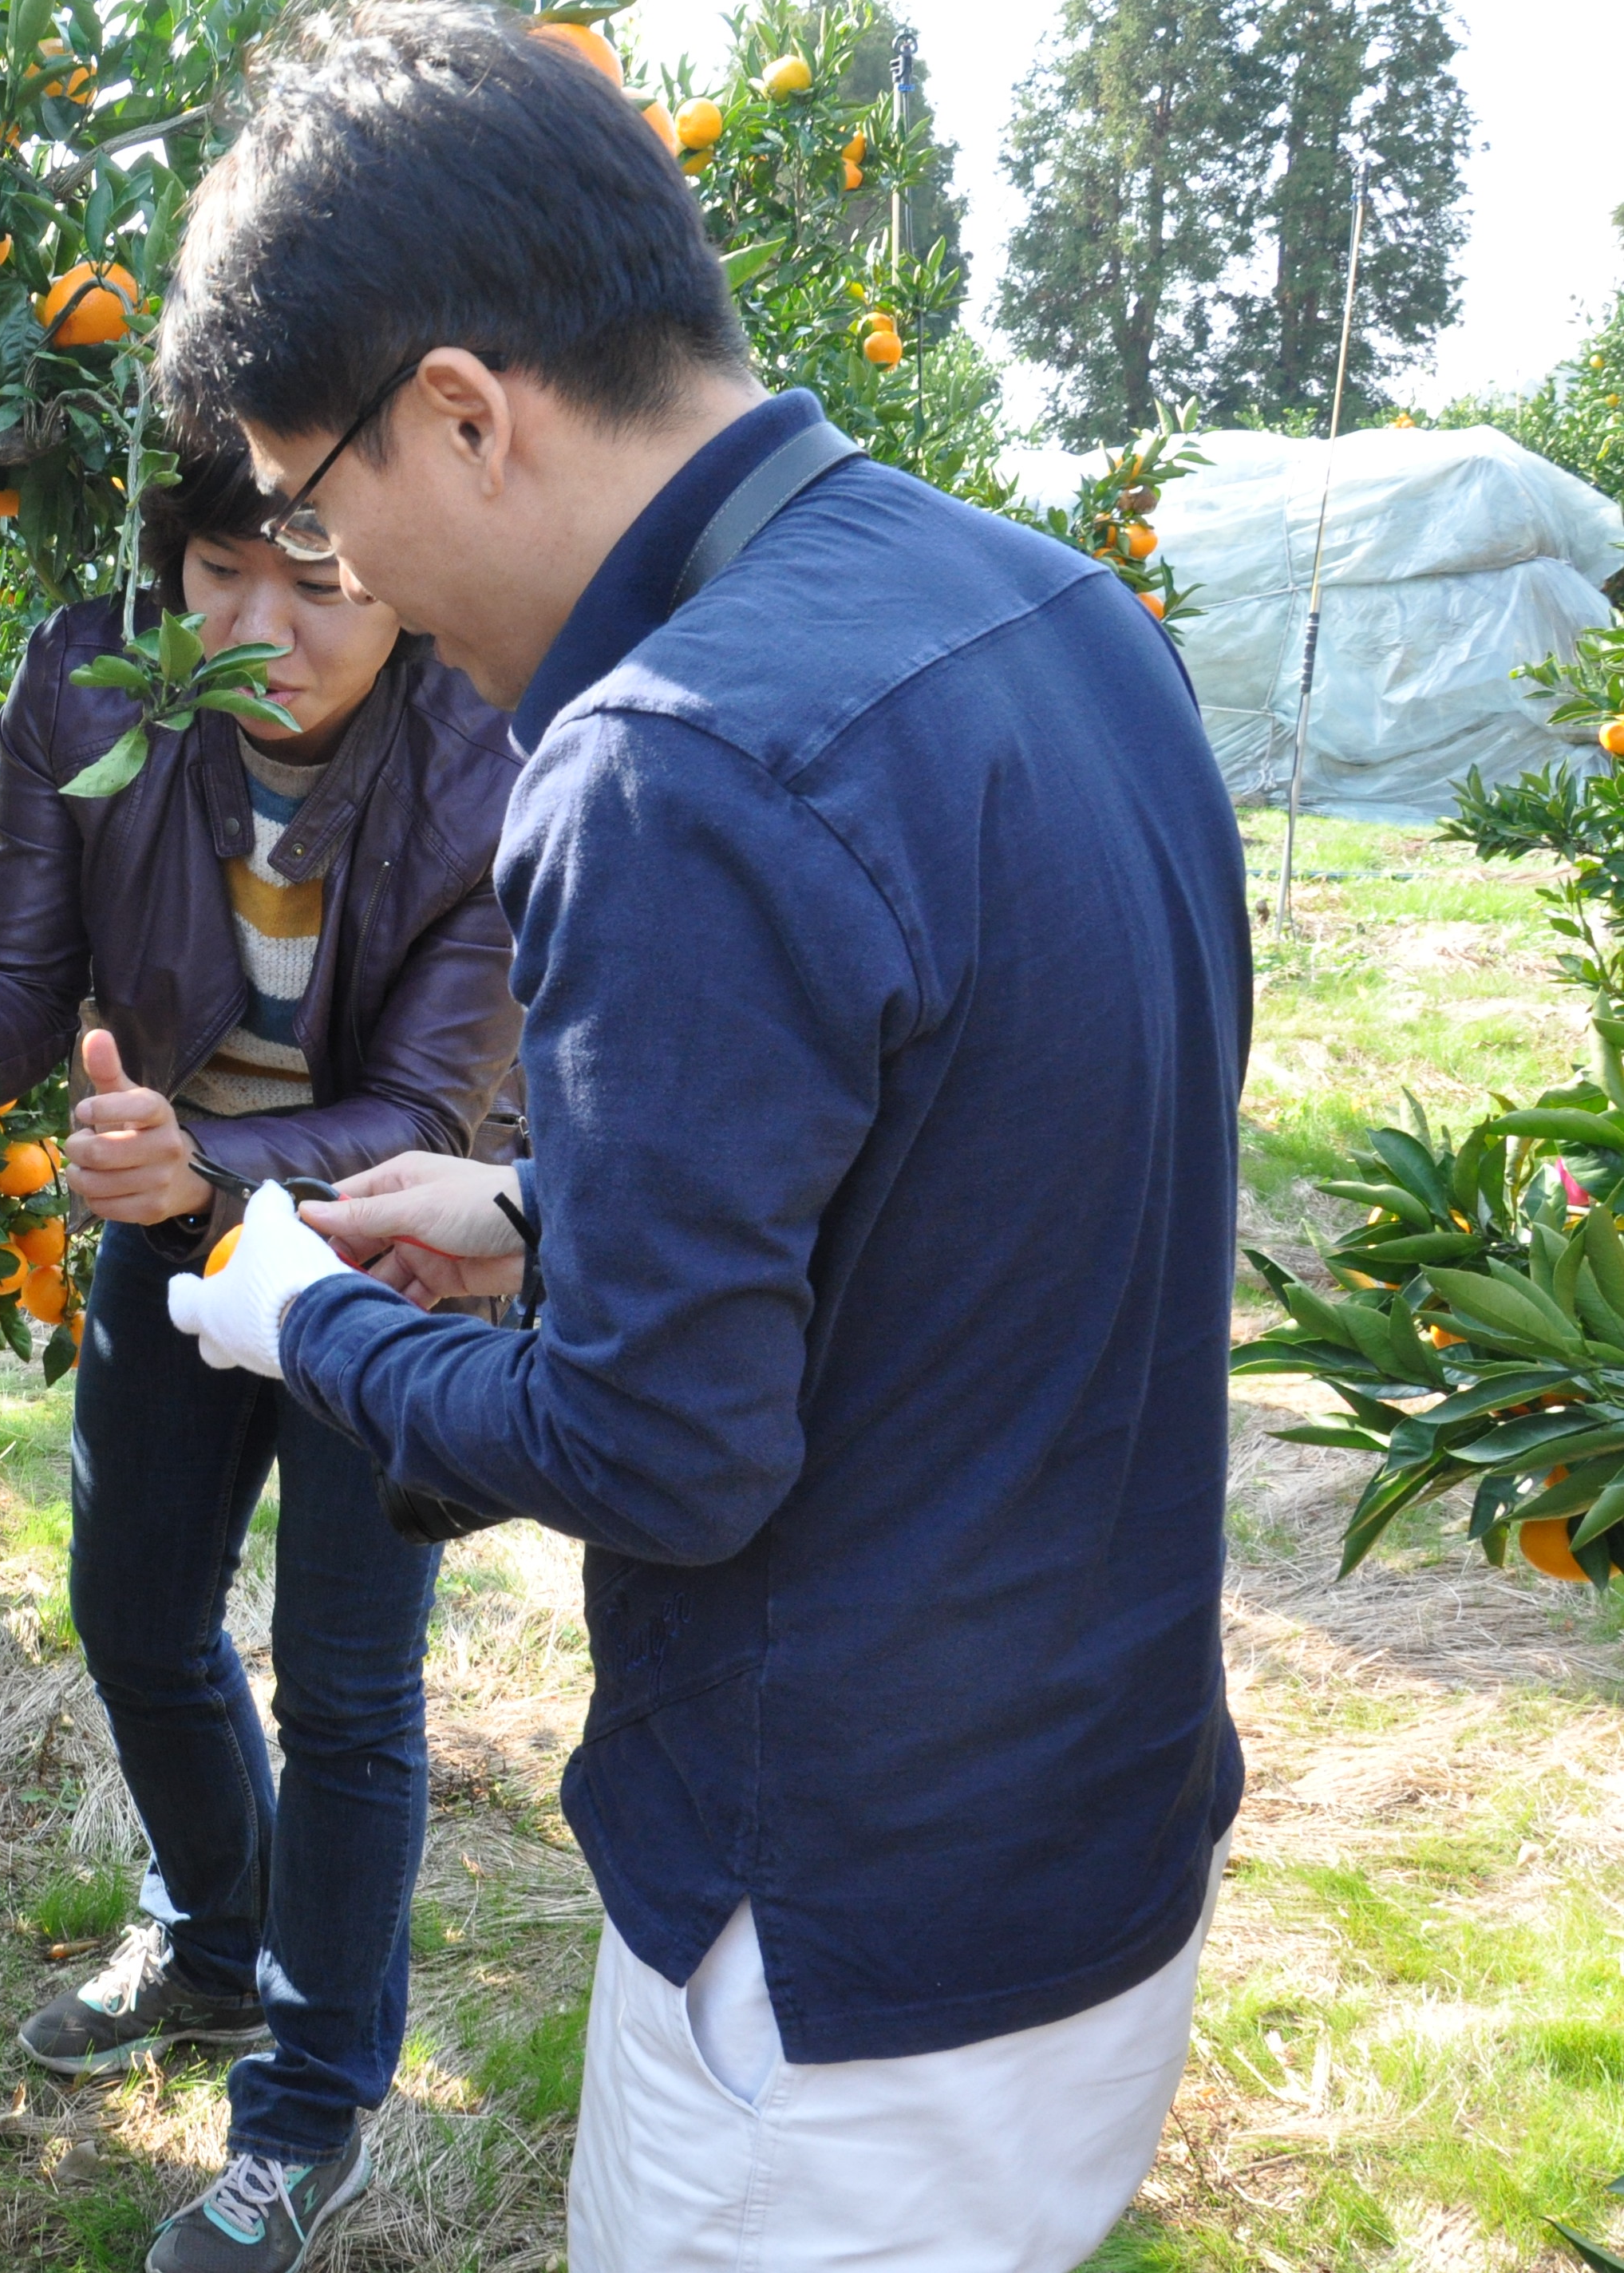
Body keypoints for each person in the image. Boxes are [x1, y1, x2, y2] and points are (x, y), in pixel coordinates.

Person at [153, 10, 1253, 2272]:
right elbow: (982, 1146)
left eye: (320, 504)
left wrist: (298, 1325)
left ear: (460, 408)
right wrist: (556, 1205)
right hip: (1092, 1846)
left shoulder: (673, 759)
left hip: (829, 1953)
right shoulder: (1054, 609)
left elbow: (668, 1453)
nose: (348, 580)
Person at [0, 444, 526, 2272]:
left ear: (404, 574)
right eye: (214, 572)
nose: (255, 628)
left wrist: (209, 1163)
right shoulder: (87, 674)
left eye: (318, 583)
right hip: (165, 1222)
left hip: (392, 1251)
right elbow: (21, 976)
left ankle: (309, 2105)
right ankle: (211, 1936)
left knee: (348, 1689)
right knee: (130, 1617)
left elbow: (432, 1100)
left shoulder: (489, 744)